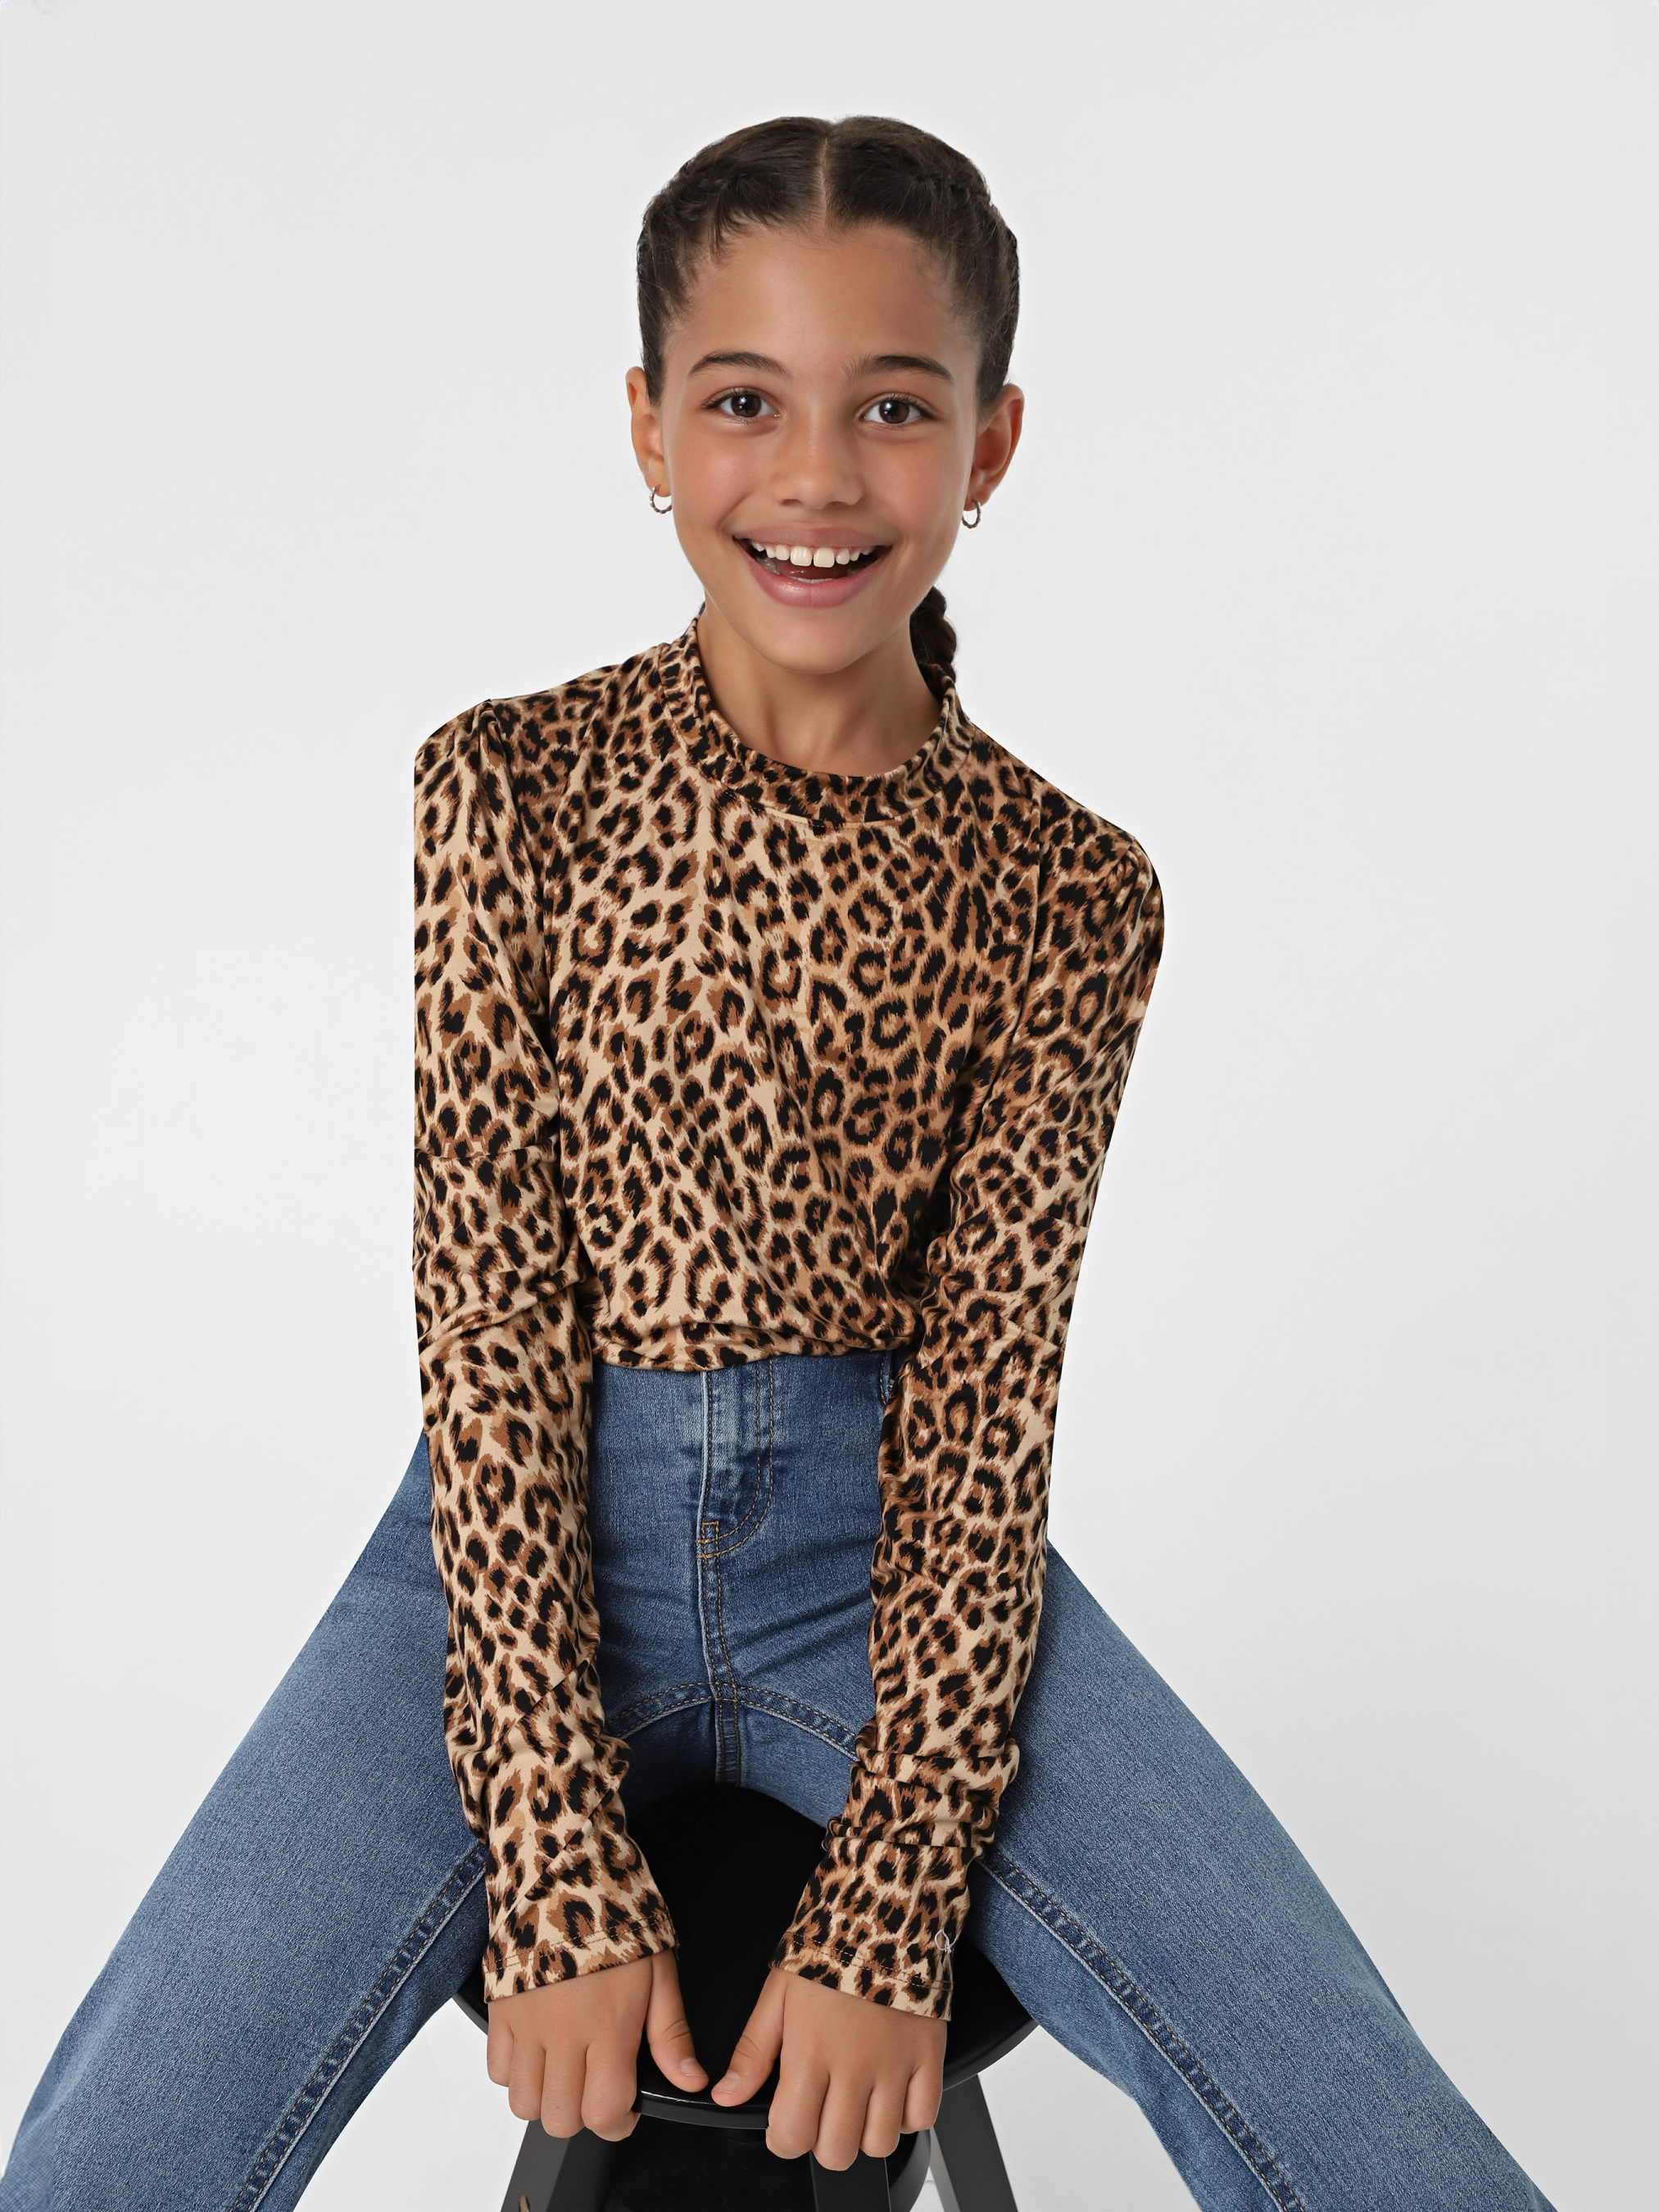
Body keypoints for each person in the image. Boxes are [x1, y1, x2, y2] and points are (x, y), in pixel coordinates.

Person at [1, 115, 1555, 2212]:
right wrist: (553, 1856)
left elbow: (989, 1408)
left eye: (890, 408)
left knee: (1375, 2135)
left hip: (891, 1562)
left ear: (989, 445)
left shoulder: (1064, 889)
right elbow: (486, 1320)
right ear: (648, 427)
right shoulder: (512, 788)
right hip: (514, 1542)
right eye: (743, 402)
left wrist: (889, 1917)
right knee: (107, 2155)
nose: (815, 476)